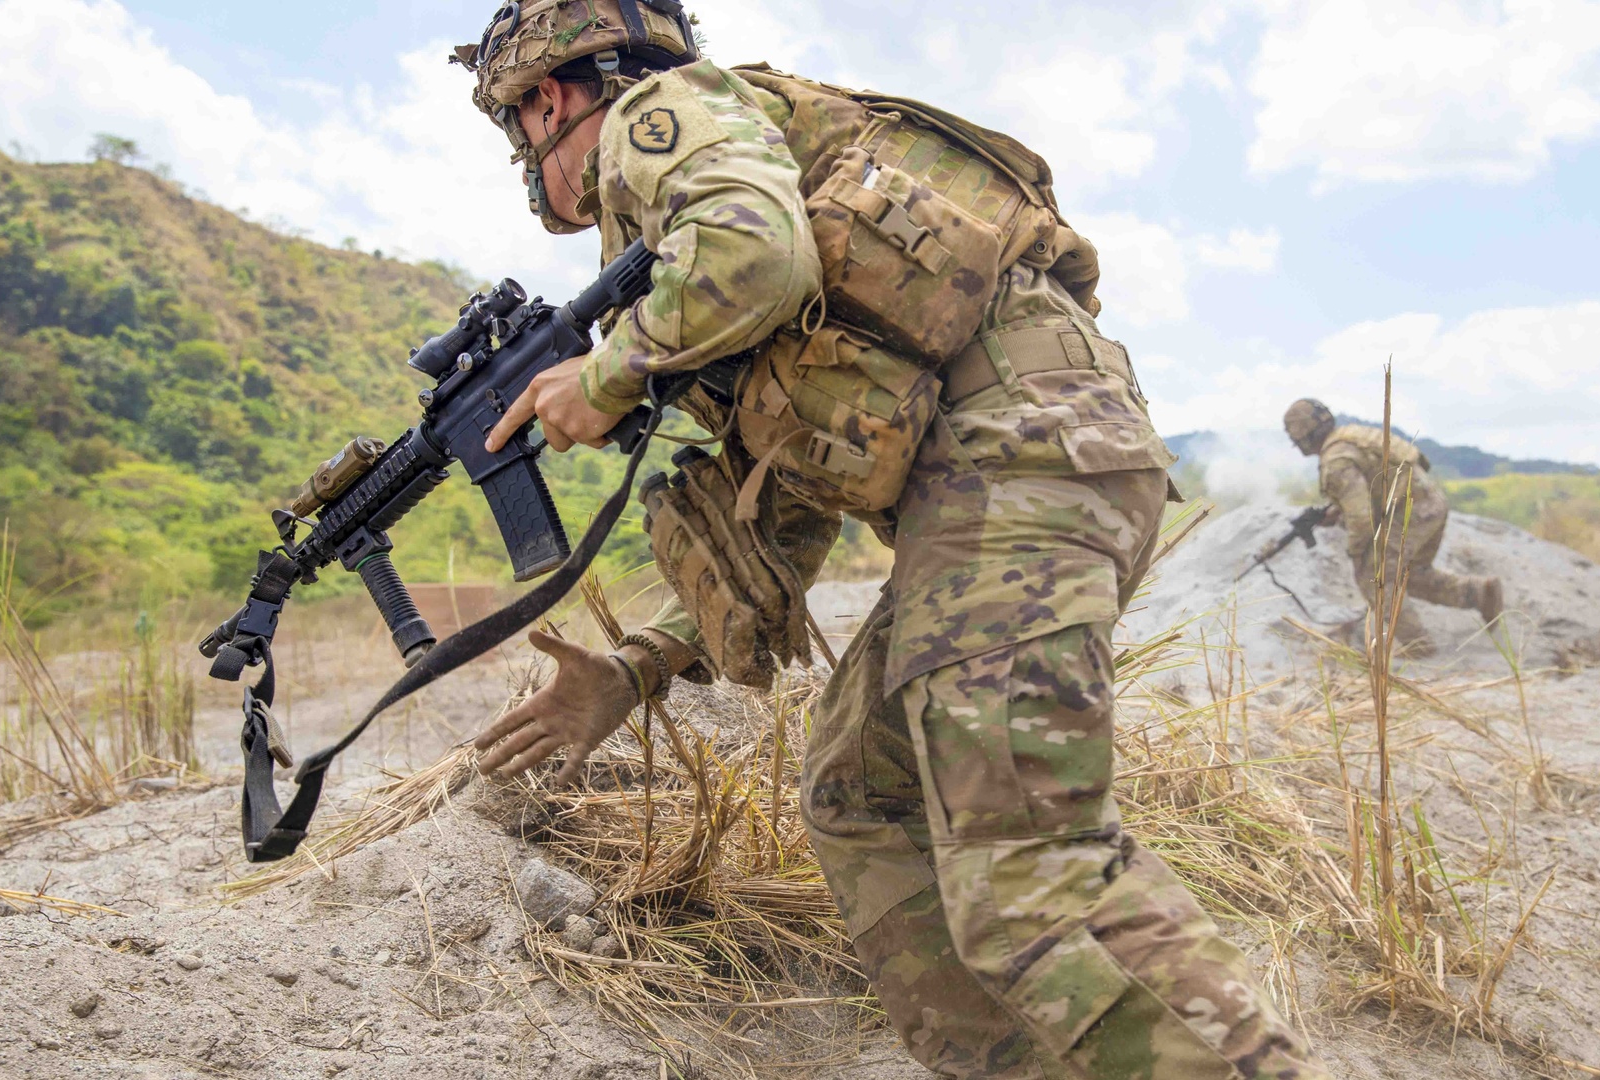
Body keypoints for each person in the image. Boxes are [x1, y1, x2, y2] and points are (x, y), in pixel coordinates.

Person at [455, 4, 1332, 1077]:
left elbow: (757, 254)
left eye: (517, 127)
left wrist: (605, 375)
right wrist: (637, 668)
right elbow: (783, 506)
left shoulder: (662, 121)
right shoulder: (729, 182)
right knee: (857, 794)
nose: (526, 158)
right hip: (1029, 469)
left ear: (548, 99)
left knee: (1028, 874)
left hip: (1012, 469)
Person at [1283, 399, 1503, 656]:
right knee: (1412, 574)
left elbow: (1362, 519)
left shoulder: (1335, 461)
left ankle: (1418, 647)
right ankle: (1478, 593)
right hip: (1428, 504)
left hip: (1409, 511)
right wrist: (1337, 513)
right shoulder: (1350, 437)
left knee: (1374, 577)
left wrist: (1357, 553)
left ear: (1303, 436)